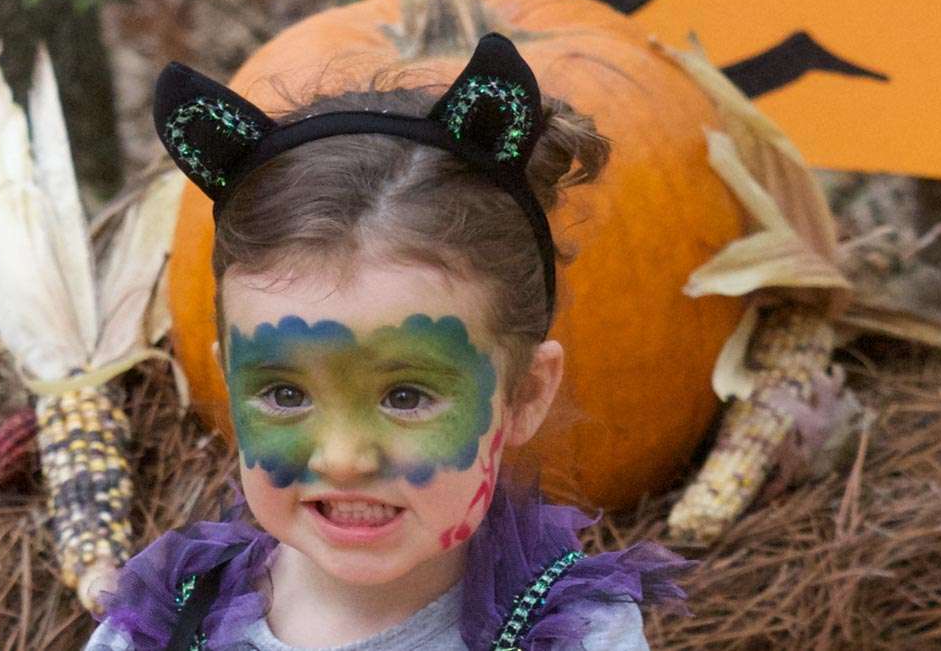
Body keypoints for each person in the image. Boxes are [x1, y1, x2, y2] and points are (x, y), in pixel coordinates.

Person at [85, 34, 693, 651]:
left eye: (405, 396)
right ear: (230, 385)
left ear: (524, 394)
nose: (344, 459)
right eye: (285, 393)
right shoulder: (164, 626)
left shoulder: (567, 637)